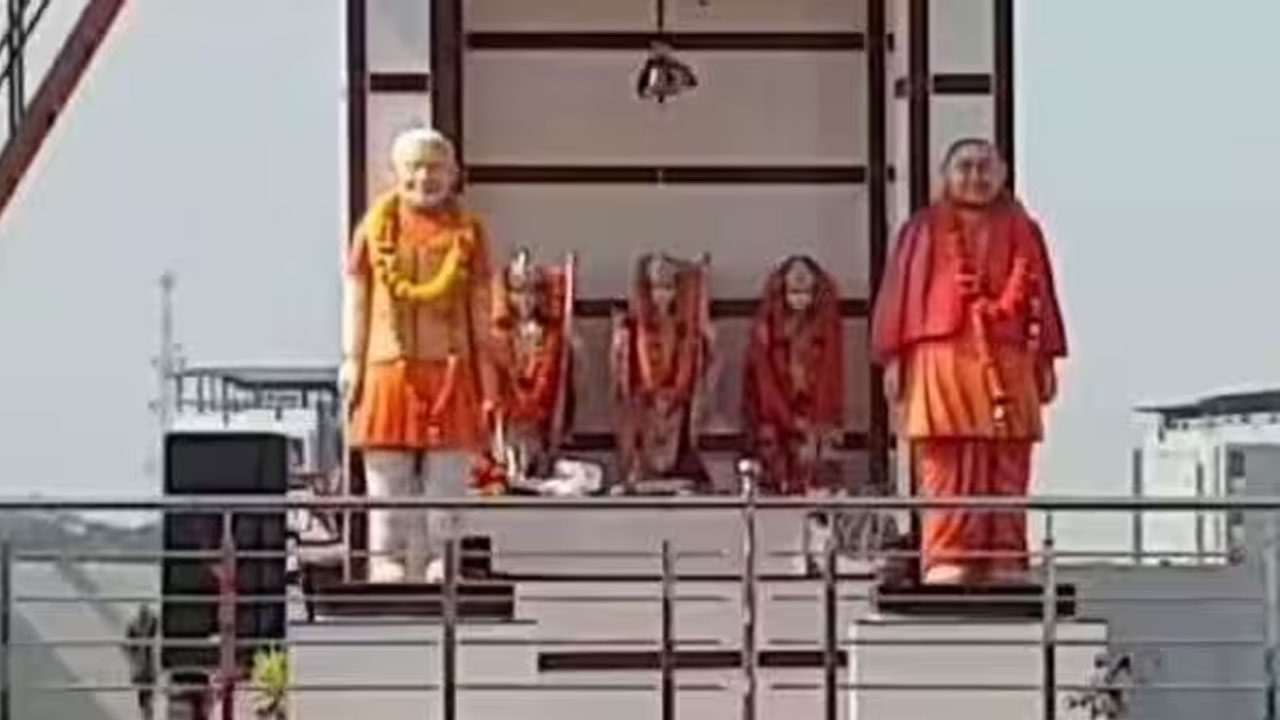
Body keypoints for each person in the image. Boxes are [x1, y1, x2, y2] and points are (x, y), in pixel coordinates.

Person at [871, 138, 1067, 586]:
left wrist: (1047, 357)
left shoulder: (1025, 230)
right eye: (965, 167)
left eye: (984, 167)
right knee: (947, 463)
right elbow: (899, 297)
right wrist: (894, 357)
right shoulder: (922, 229)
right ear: (945, 175)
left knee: (1008, 462)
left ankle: (1005, 556)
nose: (975, 177)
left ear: (1002, 175)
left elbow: (1042, 297)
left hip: (1010, 356)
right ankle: (948, 555)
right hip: (940, 356)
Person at [341, 126, 496, 583]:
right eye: (415, 167)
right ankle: (386, 558)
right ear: (396, 172)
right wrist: (351, 357)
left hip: (450, 368)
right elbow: (357, 297)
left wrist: (488, 376)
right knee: (388, 481)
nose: (425, 178)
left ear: (453, 174)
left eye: (435, 168)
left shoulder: (469, 232)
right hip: (388, 367)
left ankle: (440, 559)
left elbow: (483, 310)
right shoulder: (374, 228)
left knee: (446, 483)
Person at [743, 255, 845, 495]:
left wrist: (816, 419)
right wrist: (785, 415)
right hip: (775, 410)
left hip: (813, 411)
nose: (800, 299)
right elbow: (763, 379)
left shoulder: (826, 325)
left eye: (806, 293)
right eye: (794, 292)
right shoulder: (766, 326)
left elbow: (831, 375)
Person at [611, 253, 712, 493]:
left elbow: (693, 368)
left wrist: (673, 398)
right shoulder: (634, 327)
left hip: (676, 403)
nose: (662, 295)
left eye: (668, 288)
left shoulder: (686, 329)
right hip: (644, 403)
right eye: (656, 288)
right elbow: (627, 374)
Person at [488, 248, 573, 483]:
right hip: (506, 416)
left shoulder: (550, 336)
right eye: (518, 292)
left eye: (532, 292)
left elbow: (550, 377)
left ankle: (535, 462)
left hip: (537, 414)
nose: (525, 299)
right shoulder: (498, 335)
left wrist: (532, 403)